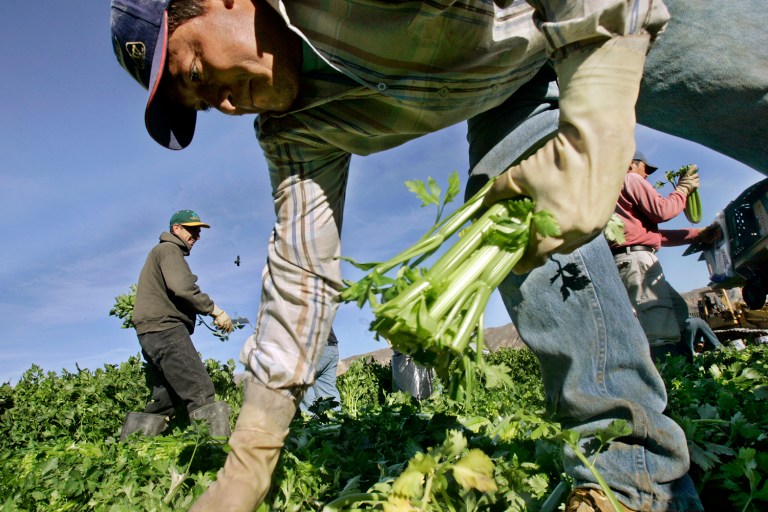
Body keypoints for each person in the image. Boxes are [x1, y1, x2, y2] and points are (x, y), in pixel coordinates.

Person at [108, 1, 768, 510]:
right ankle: (633, 477)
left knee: (748, 82)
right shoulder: (294, 127)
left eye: (199, 72)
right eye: (203, 105)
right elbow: (301, 276)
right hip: (506, 86)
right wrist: (248, 462)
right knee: (513, 225)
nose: (224, 101)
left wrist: (597, 115)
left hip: (569, 10)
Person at [119, 209, 234, 441]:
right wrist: (215, 310)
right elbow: (182, 287)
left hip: (150, 332)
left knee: (165, 399)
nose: (196, 235)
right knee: (200, 390)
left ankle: (131, 451)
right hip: (166, 329)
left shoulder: (159, 253)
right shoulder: (169, 250)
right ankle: (214, 455)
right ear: (176, 229)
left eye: (198, 231)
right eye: (192, 229)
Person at [609, 151, 702, 361]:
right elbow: (662, 211)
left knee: (677, 310)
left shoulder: (614, 193)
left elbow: (653, 236)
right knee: (658, 328)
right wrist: (683, 189)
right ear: (631, 164)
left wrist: (697, 235)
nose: (647, 175)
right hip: (637, 262)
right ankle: (670, 377)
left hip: (629, 260)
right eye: (646, 169)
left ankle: (685, 366)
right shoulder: (630, 178)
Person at [299, 329, 341, 414]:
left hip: (315, 349)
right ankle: (336, 423)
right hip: (331, 347)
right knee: (327, 390)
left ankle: (311, 420)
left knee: (300, 381)